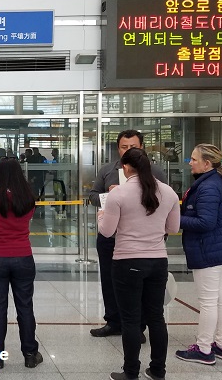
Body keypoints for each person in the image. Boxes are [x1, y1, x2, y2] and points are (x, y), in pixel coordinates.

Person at [97, 148, 180, 380]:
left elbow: (107, 231)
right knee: (156, 317)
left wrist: (101, 216)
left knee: (131, 319)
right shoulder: (168, 192)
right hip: (158, 261)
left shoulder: (118, 194)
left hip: (127, 262)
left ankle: (131, 371)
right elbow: (173, 228)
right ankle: (158, 370)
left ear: (126, 167)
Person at [88, 130, 167, 339]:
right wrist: (109, 195)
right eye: (124, 147)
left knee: (139, 286)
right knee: (109, 281)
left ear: (142, 148)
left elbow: (163, 202)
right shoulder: (107, 170)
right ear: (118, 149)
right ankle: (113, 321)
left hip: (141, 240)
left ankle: (137, 326)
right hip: (111, 237)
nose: (129, 151)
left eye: (133, 147)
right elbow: (92, 196)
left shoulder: (155, 173)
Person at [0, 156, 43, 370]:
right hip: (23, 257)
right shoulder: (27, 196)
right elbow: (28, 216)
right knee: (25, 306)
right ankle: (30, 354)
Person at [175, 144, 222, 365]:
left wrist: (175, 219)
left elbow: (206, 222)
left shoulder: (208, 186)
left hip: (207, 249)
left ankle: (203, 349)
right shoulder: (217, 181)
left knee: (209, 301)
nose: (190, 162)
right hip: (219, 248)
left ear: (207, 163)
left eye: (194, 159)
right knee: (221, 298)